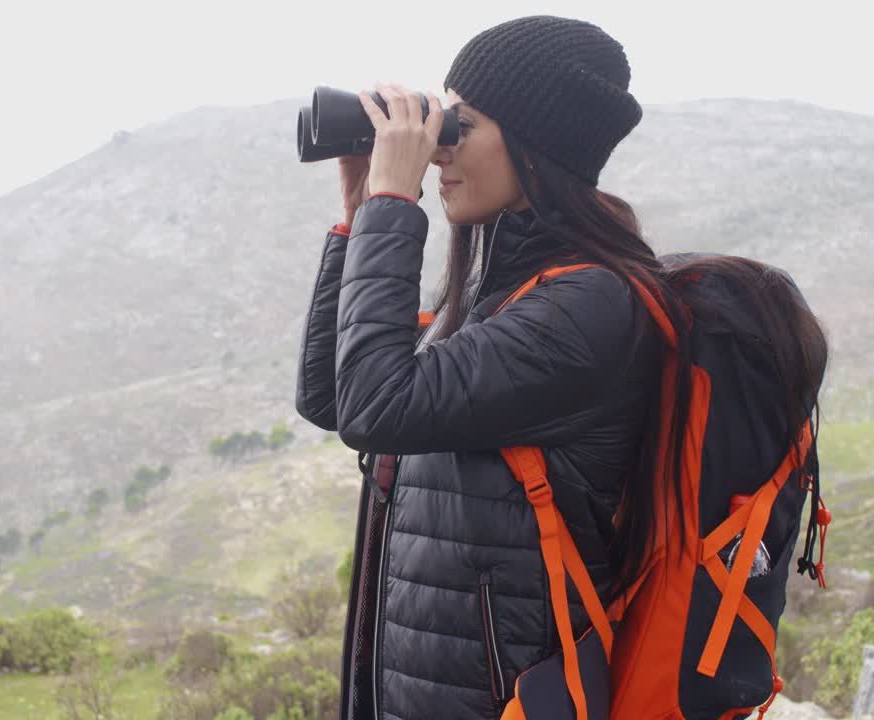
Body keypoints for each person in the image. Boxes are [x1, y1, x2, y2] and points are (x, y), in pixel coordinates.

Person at [295, 15, 814, 720]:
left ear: (538, 142)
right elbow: (329, 397)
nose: (439, 148)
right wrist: (360, 214)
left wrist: (395, 202)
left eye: (460, 125)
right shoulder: (503, 297)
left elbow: (371, 405)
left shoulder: (589, 307)